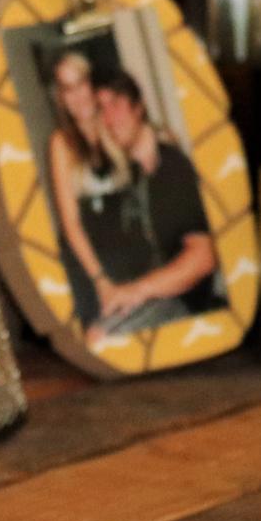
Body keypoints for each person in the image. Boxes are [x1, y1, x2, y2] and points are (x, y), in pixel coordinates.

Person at [85, 72, 220, 332]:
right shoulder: (133, 174)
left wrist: (135, 291)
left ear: (139, 107)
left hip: (183, 303)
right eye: (101, 109)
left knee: (100, 339)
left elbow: (203, 256)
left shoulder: (172, 168)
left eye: (116, 104)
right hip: (151, 296)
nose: (109, 119)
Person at [38, 48, 130, 323]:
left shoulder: (116, 123)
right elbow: (71, 223)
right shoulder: (61, 144)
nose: (77, 95)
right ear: (61, 98)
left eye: (81, 83)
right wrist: (100, 280)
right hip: (89, 262)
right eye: (67, 89)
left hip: (130, 251)